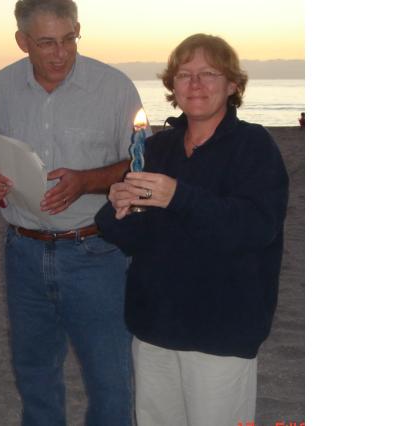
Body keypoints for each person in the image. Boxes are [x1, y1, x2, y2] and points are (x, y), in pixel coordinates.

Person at [95, 33, 289, 426]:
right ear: (172, 85)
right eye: (184, 74)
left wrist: (178, 196)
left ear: (232, 84)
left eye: (208, 73)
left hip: (221, 331)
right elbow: (134, 238)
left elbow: (257, 229)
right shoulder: (156, 148)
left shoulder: (253, 146)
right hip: (154, 328)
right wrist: (117, 209)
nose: (195, 83)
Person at [0, 1, 148, 424]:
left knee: (110, 381)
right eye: (46, 42)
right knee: (34, 375)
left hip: (96, 253)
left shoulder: (114, 87)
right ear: (22, 42)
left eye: (68, 39)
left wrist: (86, 181)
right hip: (23, 252)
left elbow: (143, 165)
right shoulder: (4, 85)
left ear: (78, 30)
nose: (60, 53)